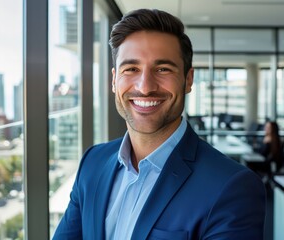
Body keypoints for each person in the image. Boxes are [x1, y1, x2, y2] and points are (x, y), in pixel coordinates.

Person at [52, 9, 266, 240]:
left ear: (188, 79)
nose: (145, 87)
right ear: (114, 80)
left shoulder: (232, 187)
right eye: (131, 69)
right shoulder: (92, 162)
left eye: (163, 69)